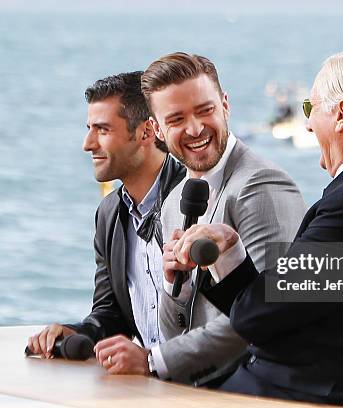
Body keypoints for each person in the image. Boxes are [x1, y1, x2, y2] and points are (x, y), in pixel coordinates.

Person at [168, 51, 343, 406]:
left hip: (318, 392)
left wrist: (228, 258)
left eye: (312, 108)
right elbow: (283, 311)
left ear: (341, 114)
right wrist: (229, 250)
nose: (308, 124)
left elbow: (261, 318)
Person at [94, 52, 306, 384]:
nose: (195, 128)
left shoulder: (262, 186)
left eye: (205, 110)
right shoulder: (174, 201)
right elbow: (175, 330)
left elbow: (272, 316)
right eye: (176, 119)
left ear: (225, 105)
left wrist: (152, 361)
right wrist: (173, 286)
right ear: (158, 131)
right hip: (194, 391)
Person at [27, 71, 185, 376]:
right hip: (151, 386)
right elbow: (110, 314)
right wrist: (76, 333)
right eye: (89, 128)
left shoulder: (197, 199)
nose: (88, 144)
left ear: (146, 133)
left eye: (102, 129)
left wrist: (155, 362)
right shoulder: (109, 214)